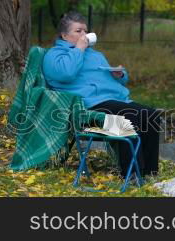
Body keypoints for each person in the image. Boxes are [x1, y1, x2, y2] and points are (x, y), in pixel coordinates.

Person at [43, 11, 160, 177]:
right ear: (64, 35)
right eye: (78, 31)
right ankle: (132, 174)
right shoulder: (54, 55)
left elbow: (107, 77)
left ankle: (150, 172)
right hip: (86, 106)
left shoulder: (95, 55)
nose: (84, 34)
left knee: (152, 116)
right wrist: (79, 49)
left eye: (85, 30)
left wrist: (120, 75)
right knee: (130, 117)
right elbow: (66, 73)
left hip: (111, 100)